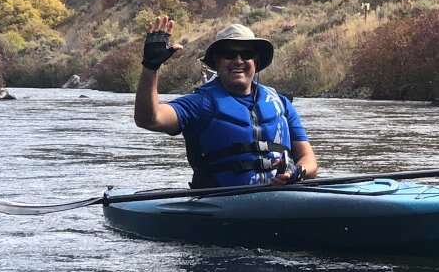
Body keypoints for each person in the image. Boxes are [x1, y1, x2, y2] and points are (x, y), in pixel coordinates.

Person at [134, 15, 318, 188]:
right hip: (219, 202)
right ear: (217, 62)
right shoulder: (199, 104)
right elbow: (150, 119)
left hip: (280, 197)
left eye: (246, 54)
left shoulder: (281, 103)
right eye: (229, 54)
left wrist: (297, 172)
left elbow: (308, 159)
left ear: (256, 62)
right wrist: (151, 67)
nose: (238, 61)